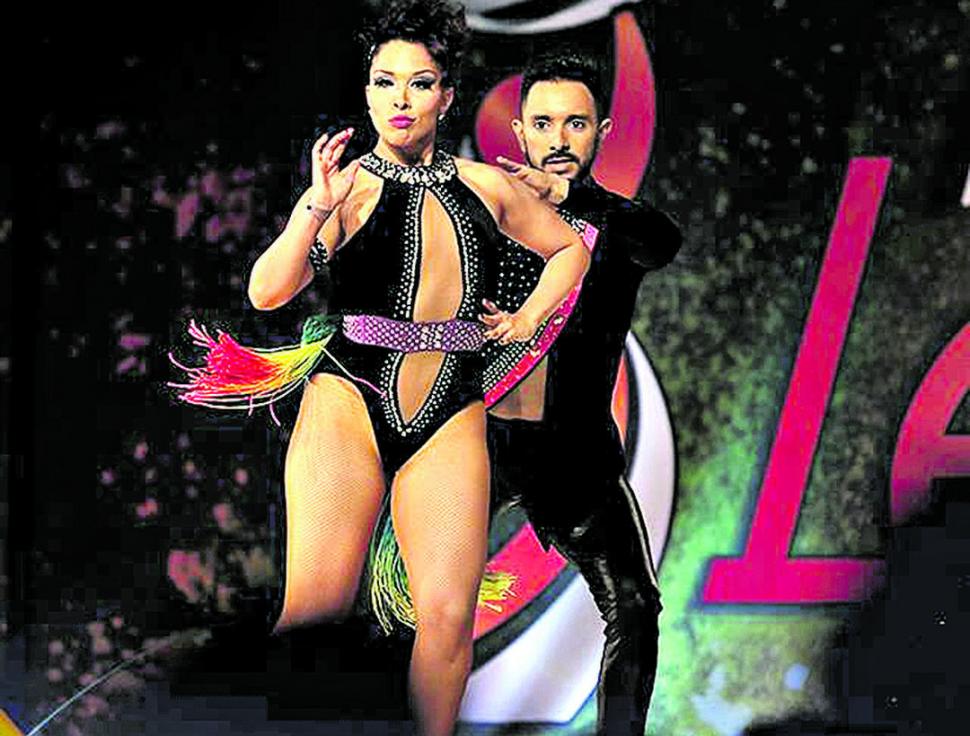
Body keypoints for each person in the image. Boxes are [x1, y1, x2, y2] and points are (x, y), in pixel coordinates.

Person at [238, 3, 590, 735]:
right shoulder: (343, 190)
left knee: (449, 619)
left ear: (446, 96)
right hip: (349, 399)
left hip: (451, 407)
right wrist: (313, 209)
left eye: (420, 83)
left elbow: (569, 250)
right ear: (367, 94)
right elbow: (266, 292)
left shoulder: (486, 186)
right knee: (313, 617)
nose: (400, 98)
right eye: (385, 82)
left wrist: (527, 320)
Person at [485, 53, 682, 735]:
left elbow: (662, 241)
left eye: (576, 123)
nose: (559, 138)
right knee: (411, 602)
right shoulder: (485, 211)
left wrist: (566, 197)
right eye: (543, 123)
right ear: (519, 131)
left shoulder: (617, 225)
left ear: (602, 131)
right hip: (479, 444)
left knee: (636, 606)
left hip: (574, 457)